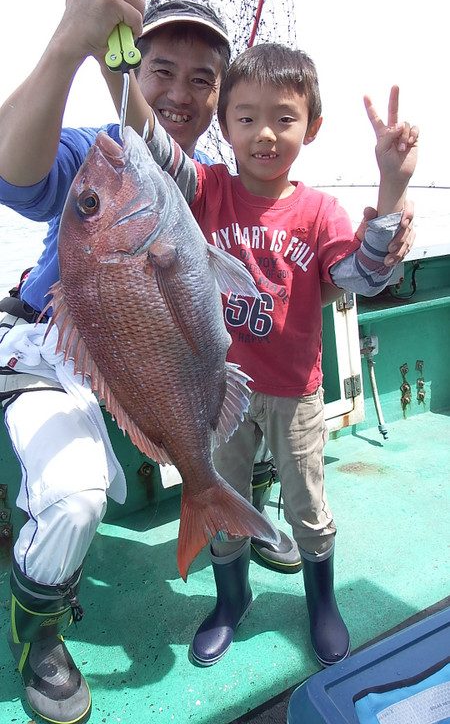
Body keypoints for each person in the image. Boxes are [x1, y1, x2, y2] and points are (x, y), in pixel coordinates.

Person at [0, 0, 415, 724]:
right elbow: (15, 177)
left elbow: (334, 273)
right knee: (76, 494)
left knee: (250, 416)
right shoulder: (107, 154)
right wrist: (76, 45)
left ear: (223, 97)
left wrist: (386, 211)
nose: (181, 92)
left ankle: (240, 517)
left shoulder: (213, 186)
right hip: (53, 357)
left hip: (174, 370)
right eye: (161, 69)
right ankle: (41, 636)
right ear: (137, 71)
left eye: (203, 78)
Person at [109, 40, 419, 669]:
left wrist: (391, 184)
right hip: (216, 392)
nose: (265, 135)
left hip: (295, 394)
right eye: (245, 118)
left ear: (313, 126)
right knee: (218, 496)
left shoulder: (319, 211)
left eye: (284, 117)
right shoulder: (203, 191)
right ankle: (231, 599)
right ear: (223, 125)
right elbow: (150, 141)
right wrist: (111, 66)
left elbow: (363, 275)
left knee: (306, 507)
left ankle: (321, 602)